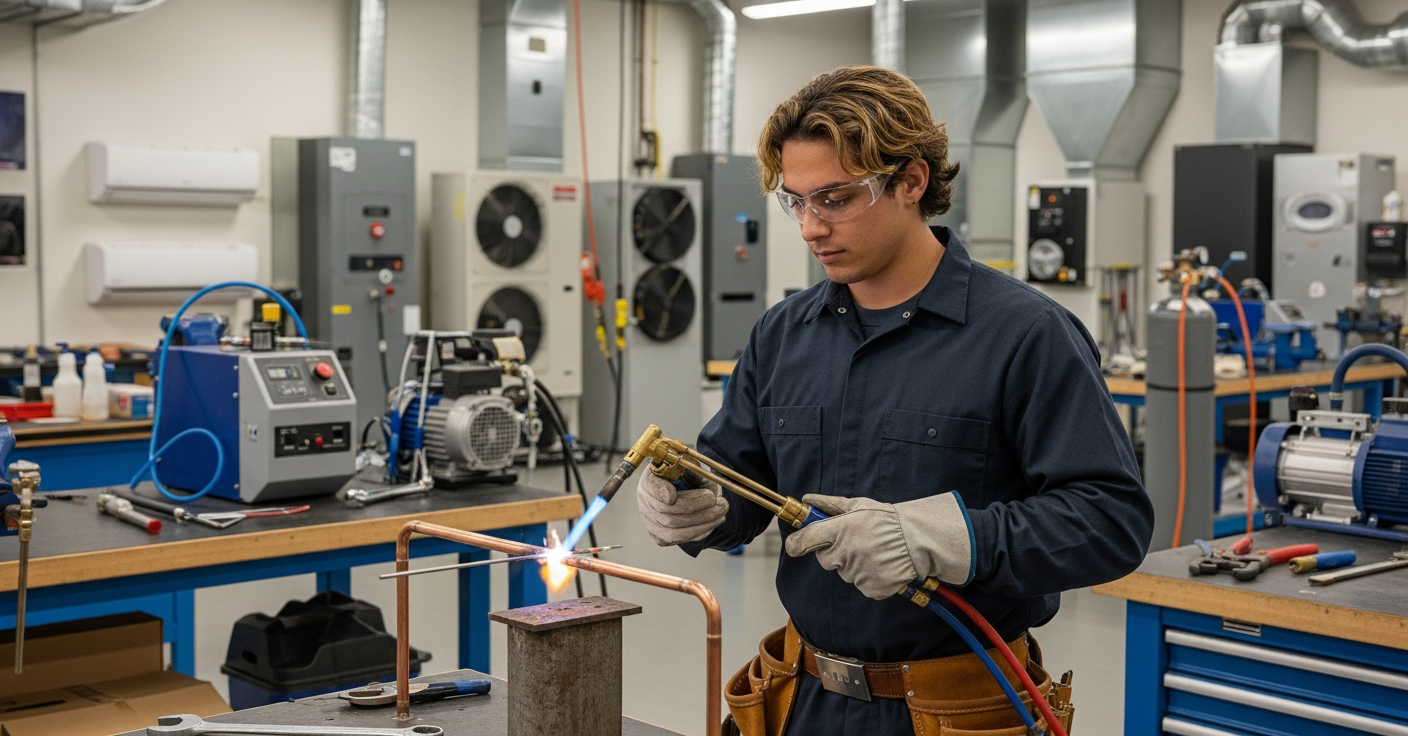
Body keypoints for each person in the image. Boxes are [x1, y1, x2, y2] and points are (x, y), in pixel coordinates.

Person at [635, 65, 1153, 735]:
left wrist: (950, 539)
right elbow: (739, 487)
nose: (810, 228)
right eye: (796, 201)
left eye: (836, 199)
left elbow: (1111, 522)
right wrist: (695, 503)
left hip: (959, 709)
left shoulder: (1026, 335)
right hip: (802, 698)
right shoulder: (782, 335)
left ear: (911, 181)